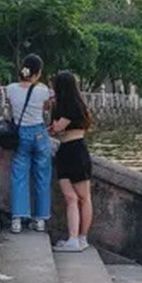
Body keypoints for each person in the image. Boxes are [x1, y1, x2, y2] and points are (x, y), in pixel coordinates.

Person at [5, 54, 52, 234]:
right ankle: (40, 220)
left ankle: (17, 219)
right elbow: (47, 108)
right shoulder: (43, 90)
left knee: (19, 175)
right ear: (38, 72)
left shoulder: (10, 89)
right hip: (39, 133)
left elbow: (10, 110)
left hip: (21, 133)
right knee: (42, 176)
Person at [49, 71, 93, 252]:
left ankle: (80, 237)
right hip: (66, 150)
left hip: (75, 150)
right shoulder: (67, 104)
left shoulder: (72, 105)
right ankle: (74, 238)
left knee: (83, 197)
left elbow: (58, 127)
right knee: (71, 197)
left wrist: (53, 124)